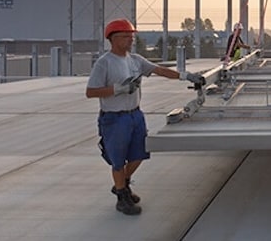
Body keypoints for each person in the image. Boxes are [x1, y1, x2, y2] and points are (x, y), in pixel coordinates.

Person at [86, 18, 201, 216]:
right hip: (114, 119)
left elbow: (160, 70)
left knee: (139, 153)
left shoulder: (135, 60)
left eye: (132, 36)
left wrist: (185, 76)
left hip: (135, 115)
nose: (131, 40)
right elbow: (91, 91)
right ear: (112, 39)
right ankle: (122, 197)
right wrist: (118, 89)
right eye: (126, 36)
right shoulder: (104, 63)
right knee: (118, 160)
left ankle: (121, 184)